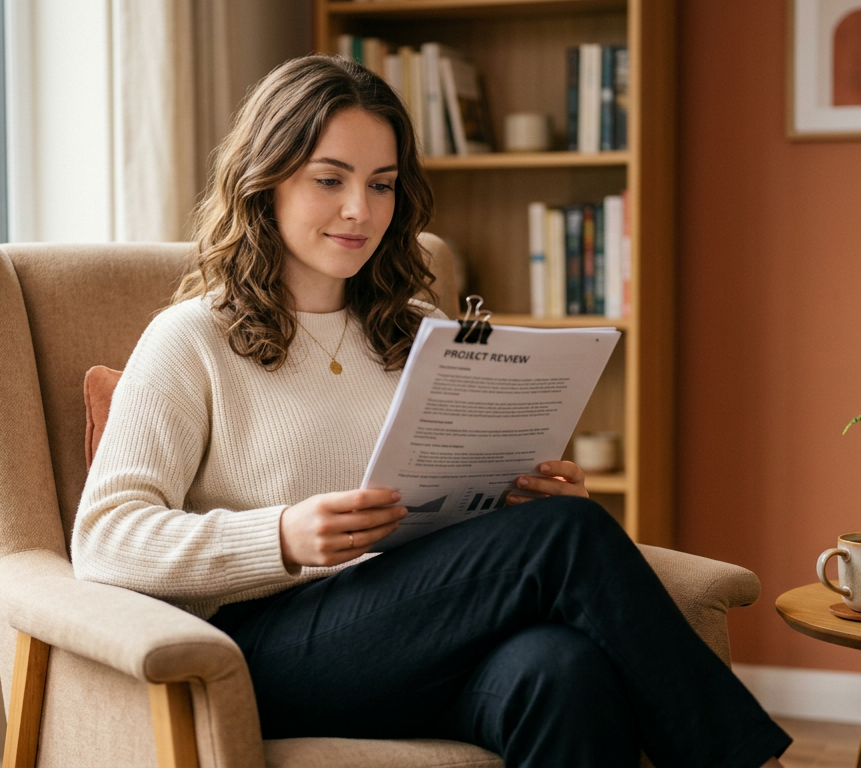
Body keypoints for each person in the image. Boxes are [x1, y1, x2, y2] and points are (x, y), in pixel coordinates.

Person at [74, 55, 791, 768]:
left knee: (561, 670)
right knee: (566, 536)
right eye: (330, 179)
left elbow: (446, 521)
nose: (361, 209)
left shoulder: (416, 326)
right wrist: (282, 535)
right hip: (263, 647)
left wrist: (516, 498)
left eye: (381, 184)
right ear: (266, 184)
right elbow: (104, 539)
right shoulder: (192, 337)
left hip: (415, 636)